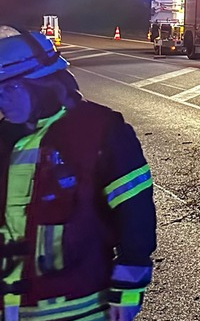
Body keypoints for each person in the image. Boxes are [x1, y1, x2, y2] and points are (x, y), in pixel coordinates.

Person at [0, 25, 156, 320]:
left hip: (79, 306)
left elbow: (135, 215)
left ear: (43, 84)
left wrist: (128, 288)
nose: (2, 99)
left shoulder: (101, 130)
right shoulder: (4, 139)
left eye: (11, 87)